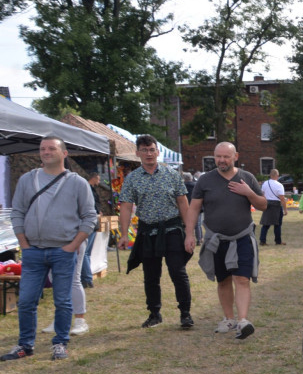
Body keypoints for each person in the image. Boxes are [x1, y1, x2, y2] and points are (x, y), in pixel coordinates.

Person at [2, 136, 96, 362]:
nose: (46, 152)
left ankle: (60, 343)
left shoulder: (77, 183)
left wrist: (72, 246)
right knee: (26, 301)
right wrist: (24, 244)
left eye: (52, 148)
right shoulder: (28, 179)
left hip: (63, 251)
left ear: (64, 153)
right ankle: (25, 345)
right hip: (33, 250)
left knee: (62, 300)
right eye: (42, 148)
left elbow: (89, 217)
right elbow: (18, 212)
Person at [185, 141, 267, 339]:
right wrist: (189, 234)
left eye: (226, 156)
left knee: (242, 279)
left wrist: (248, 193)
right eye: (218, 156)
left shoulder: (247, 177)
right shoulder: (205, 181)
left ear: (235, 157)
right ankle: (229, 319)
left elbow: (263, 205)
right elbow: (194, 208)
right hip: (216, 239)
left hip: (242, 237)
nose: (221, 160)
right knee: (223, 281)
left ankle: (243, 321)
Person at [118, 134, 194, 329]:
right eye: (144, 150)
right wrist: (124, 234)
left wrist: (190, 232)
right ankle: (154, 314)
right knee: (151, 275)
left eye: (152, 150)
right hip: (148, 231)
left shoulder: (172, 174)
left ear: (158, 152)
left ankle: (185, 314)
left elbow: (183, 203)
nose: (149, 154)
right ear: (137, 153)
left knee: (178, 272)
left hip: (172, 229)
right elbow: (126, 207)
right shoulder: (132, 179)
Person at [79, 171, 103, 288]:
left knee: (85, 252)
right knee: (86, 253)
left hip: (91, 223)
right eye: (98, 179)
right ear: (93, 178)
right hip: (91, 222)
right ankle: (87, 278)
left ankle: (87, 278)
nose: (99, 181)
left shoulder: (89, 189)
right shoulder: (88, 190)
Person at [258, 169, 287, 245]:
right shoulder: (279, 185)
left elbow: (262, 194)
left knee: (266, 224)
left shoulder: (265, 183)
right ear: (277, 176)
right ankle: (278, 241)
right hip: (276, 205)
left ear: (270, 175)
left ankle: (262, 240)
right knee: (277, 224)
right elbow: (282, 198)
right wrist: (285, 210)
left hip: (267, 204)